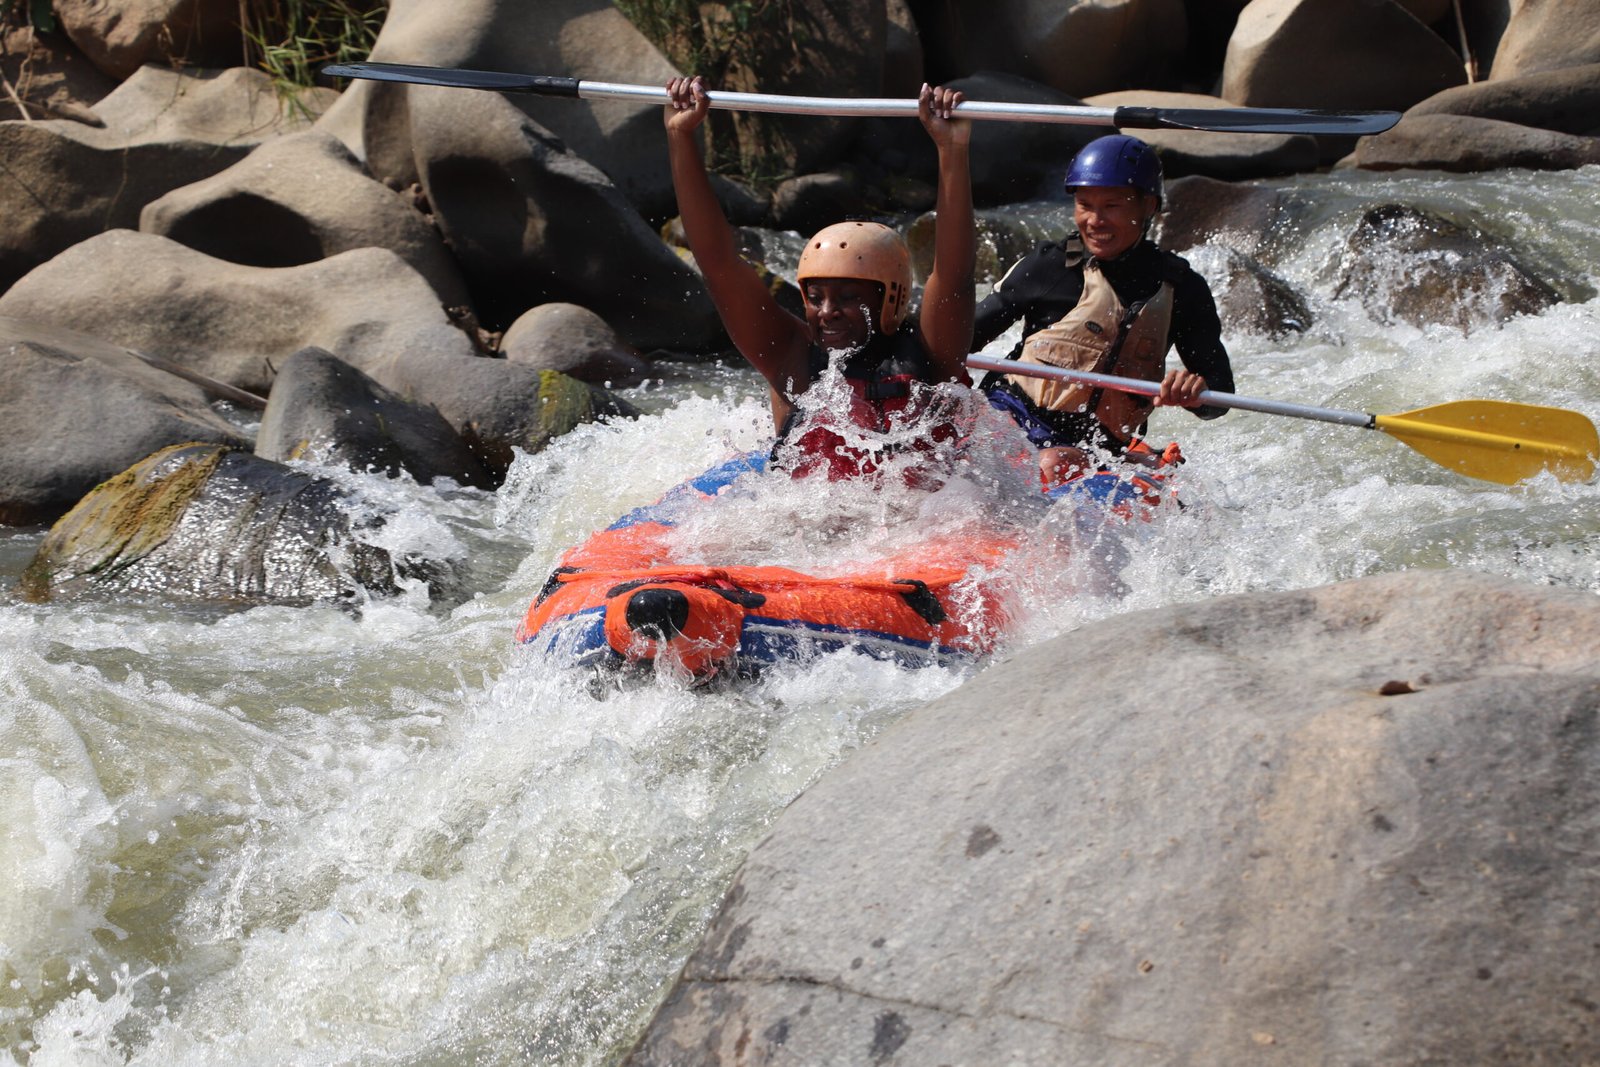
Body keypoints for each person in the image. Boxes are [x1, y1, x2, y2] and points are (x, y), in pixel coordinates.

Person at [664, 75, 975, 480]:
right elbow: (719, 264)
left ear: (890, 299)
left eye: (847, 296)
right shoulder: (790, 354)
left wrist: (952, 150)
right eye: (815, 296)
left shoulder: (934, 352)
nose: (827, 312)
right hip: (813, 528)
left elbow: (953, 276)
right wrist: (680, 137)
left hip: (917, 525)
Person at [972, 134, 1235, 489]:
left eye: (1112, 206)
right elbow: (961, 337)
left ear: (1148, 206)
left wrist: (1194, 393)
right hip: (1014, 420)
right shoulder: (1051, 265)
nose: (1094, 221)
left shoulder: (1182, 288)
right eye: (1084, 204)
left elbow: (1219, 396)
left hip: (1101, 446)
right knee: (1060, 462)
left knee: (1083, 465)